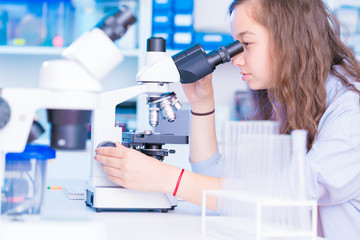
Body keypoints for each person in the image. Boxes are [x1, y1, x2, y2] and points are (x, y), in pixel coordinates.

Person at [94, 0, 360, 239]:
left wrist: (166, 179)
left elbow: (296, 192)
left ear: (290, 37)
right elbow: (218, 183)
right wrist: (202, 103)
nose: (236, 60)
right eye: (235, 46)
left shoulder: (351, 106)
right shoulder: (293, 98)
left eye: (246, 44)